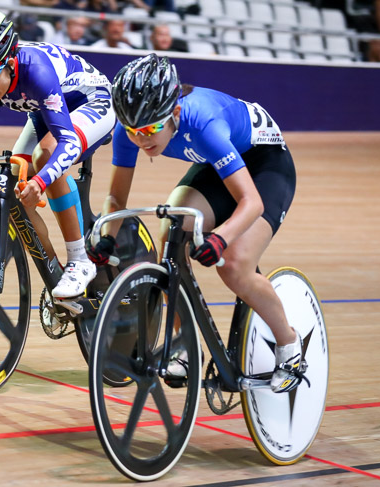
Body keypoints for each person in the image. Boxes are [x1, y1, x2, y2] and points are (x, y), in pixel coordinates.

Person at [89, 55, 303, 393]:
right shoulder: (129, 129)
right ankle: (185, 344)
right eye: (133, 131)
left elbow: (252, 203)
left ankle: (290, 346)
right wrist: (105, 240)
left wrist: (220, 239)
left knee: (233, 265)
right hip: (219, 163)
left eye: (149, 130)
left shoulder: (203, 123)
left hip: (265, 166)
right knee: (172, 228)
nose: (141, 140)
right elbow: (116, 200)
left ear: (173, 113)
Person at [0, 12, 116, 299]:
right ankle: (56, 272)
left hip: (92, 101)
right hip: (44, 107)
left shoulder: (36, 71)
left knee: (45, 156)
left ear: (10, 64)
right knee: (13, 183)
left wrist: (40, 182)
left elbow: (66, 141)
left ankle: (79, 260)